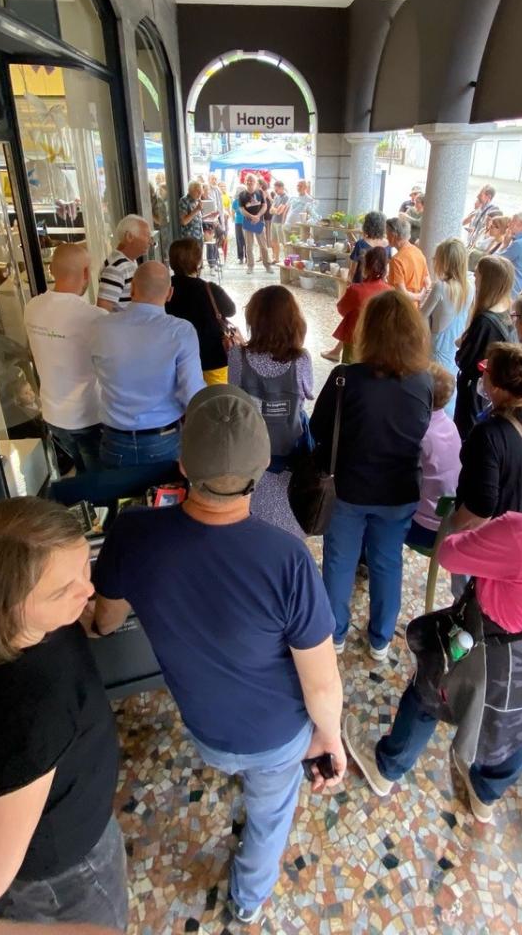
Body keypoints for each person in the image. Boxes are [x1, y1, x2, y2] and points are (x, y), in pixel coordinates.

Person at [91, 385, 345, 926]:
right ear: (262, 470)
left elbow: (104, 621)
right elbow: (322, 685)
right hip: (276, 739)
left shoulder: (133, 535)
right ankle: (248, 901)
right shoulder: (289, 560)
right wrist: (330, 737)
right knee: (269, 816)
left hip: (206, 732)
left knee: (245, 772)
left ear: (183, 465)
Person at [344, 410, 522, 821]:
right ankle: (486, 794)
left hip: (486, 650)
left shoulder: (520, 533)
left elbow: (451, 554)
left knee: (427, 695)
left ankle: (387, 768)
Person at [0, 498, 126, 928]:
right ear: (10, 606)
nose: (89, 591)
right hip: (67, 870)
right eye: (65, 590)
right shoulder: (38, 715)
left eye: (85, 568)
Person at [311, 291, 432, 661]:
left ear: (368, 331)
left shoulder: (345, 378)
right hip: (399, 490)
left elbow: (318, 428)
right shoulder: (423, 381)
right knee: (387, 562)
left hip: (348, 488)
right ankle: (380, 640)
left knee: (339, 561)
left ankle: (335, 634)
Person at [92, 261, 204, 467]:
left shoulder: (99, 326)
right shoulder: (181, 331)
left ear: (132, 289)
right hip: (163, 438)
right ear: (169, 293)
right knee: (166, 489)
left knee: (116, 489)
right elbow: (191, 392)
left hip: (114, 439)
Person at [452, 342, 522, 540]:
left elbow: (480, 508)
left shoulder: (488, 434)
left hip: (498, 535)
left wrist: (454, 529)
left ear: (496, 386)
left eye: (485, 369)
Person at [228, 286, 313, 537]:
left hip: (252, 455)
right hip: (290, 456)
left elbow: (234, 392)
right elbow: (308, 392)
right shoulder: (301, 359)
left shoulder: (237, 355)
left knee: (253, 520)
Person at [24, 243, 104, 472]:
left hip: (53, 414)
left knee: (81, 471)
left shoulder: (32, 307)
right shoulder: (94, 317)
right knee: (99, 480)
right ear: (86, 273)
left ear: (51, 270)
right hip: (87, 416)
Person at [453, 255, 515, 440]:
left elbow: (464, 360)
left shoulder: (484, 321)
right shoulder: (508, 311)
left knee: (466, 432)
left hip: (474, 389)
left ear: (487, 280)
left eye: (477, 274)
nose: (474, 278)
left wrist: (462, 344)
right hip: (489, 388)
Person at [166, 238, 237, 386]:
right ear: (198, 261)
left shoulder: (165, 288)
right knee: (216, 397)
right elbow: (231, 310)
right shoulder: (209, 288)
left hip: (176, 361)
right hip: (212, 358)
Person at [406, 364, 462, 552]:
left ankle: (365, 558)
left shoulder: (420, 432)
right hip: (445, 521)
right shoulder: (450, 425)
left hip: (421, 526)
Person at [420, 237, 473, 416]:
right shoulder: (469, 287)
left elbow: (420, 316)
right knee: (449, 389)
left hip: (437, 346)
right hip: (455, 345)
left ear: (444, 261)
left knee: (432, 388)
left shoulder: (440, 287)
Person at [328, 247, 391, 364]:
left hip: (354, 337)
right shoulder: (390, 291)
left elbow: (341, 309)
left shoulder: (355, 290)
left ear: (365, 266)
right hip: (378, 341)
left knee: (350, 369)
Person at [97, 214, 151, 312]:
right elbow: (103, 310)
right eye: (147, 236)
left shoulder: (128, 261)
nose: (151, 242)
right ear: (129, 237)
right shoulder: (116, 268)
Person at [386, 214, 430, 304]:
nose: (386, 237)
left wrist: (419, 296)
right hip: (415, 307)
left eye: (387, 234)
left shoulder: (397, 260)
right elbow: (428, 283)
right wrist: (420, 295)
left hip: (402, 307)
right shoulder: (419, 252)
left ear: (393, 235)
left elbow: (402, 294)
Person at [239, 173, 272, 276]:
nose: (249, 182)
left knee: (263, 245)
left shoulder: (260, 192)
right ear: (245, 182)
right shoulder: (242, 195)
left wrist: (258, 216)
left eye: (251, 180)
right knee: (249, 246)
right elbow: (242, 209)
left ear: (255, 182)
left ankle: (267, 265)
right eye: (247, 180)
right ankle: (250, 266)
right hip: (247, 222)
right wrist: (251, 216)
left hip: (259, 222)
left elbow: (264, 206)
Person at [498, 212, 522, 297]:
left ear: (521, 224)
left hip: (513, 288)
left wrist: (504, 244)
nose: (509, 224)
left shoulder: (521, 243)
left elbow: (496, 260)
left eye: (512, 221)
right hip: (521, 285)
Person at [347, 210, 390, 283]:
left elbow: (353, 270)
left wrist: (349, 282)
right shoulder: (388, 244)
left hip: (360, 283)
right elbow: (387, 269)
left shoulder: (361, 244)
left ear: (367, 225)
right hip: (378, 284)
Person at [178, 180, 205, 246]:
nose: (200, 193)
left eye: (200, 191)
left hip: (199, 237)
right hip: (189, 239)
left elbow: (196, 219)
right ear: (190, 190)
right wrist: (196, 210)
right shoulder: (184, 201)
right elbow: (184, 221)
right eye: (197, 191)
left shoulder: (197, 200)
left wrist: (210, 216)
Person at [270, 179, 290, 264]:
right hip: (274, 221)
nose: (275, 191)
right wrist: (275, 210)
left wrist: (275, 210)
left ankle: (287, 259)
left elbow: (280, 211)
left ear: (282, 188)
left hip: (281, 222)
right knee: (274, 241)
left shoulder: (286, 197)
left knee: (283, 242)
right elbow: (270, 210)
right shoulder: (276, 196)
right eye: (275, 189)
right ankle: (276, 258)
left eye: (277, 189)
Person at [257, 177, 274, 255]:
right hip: (262, 214)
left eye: (257, 184)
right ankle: (262, 254)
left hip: (267, 214)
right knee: (262, 234)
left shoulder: (265, 192)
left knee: (266, 234)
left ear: (261, 185)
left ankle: (267, 252)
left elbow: (270, 201)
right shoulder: (257, 192)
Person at [232, 187, 246, 265]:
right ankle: (241, 257)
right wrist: (234, 219)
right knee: (240, 240)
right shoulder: (235, 201)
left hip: (245, 221)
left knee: (246, 240)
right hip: (238, 222)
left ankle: (246, 257)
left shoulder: (246, 200)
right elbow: (233, 212)